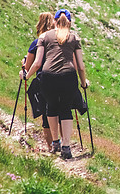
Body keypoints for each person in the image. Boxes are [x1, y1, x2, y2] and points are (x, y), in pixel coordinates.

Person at [21, 9, 88, 159]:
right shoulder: (74, 38)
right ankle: (66, 147)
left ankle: (55, 143)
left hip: (48, 77)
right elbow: (80, 67)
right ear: (69, 22)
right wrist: (83, 83)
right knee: (65, 110)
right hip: (68, 77)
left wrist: (27, 75)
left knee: (51, 107)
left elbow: (37, 63)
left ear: (55, 21)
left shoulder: (44, 36)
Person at [22, 12, 55, 151]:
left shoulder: (36, 44)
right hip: (59, 79)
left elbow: (28, 67)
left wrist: (23, 65)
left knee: (46, 117)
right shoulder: (57, 43)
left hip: (43, 81)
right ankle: (61, 142)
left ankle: (51, 147)